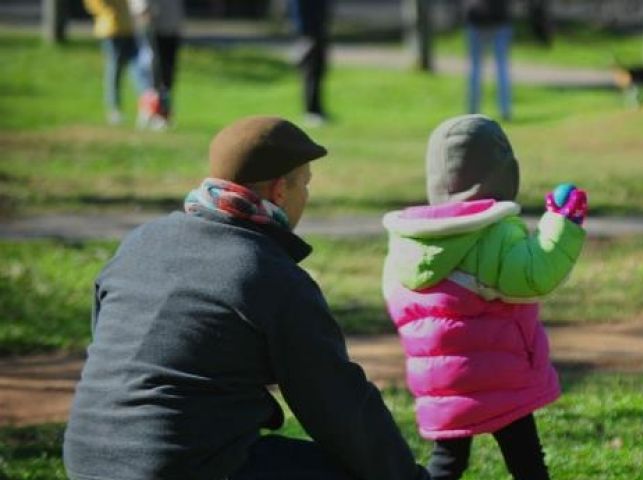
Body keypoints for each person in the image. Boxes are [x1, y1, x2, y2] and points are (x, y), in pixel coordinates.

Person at [63, 116, 431, 480]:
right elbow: (337, 404)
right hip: (181, 466)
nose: (306, 195)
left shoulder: (140, 241)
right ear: (279, 191)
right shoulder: (270, 273)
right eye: (305, 183)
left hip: (85, 459)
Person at [381, 114, 589, 480]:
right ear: (503, 173)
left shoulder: (410, 240)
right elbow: (533, 275)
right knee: (526, 460)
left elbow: (400, 304)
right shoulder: (489, 233)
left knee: (447, 462)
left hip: (440, 381)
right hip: (499, 373)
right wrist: (563, 223)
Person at [83, 0, 152, 125]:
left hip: (129, 28)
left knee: (138, 70)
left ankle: (147, 106)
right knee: (115, 70)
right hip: (111, 29)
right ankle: (114, 109)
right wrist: (109, 12)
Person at [130, 0, 185, 129]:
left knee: (167, 75)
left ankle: (163, 112)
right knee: (152, 72)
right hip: (151, 26)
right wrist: (142, 11)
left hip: (171, 27)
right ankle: (150, 111)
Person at [464, 0, 514, 121]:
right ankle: (505, 111)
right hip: (497, 20)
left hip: (481, 21)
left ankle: (473, 111)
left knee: (477, 70)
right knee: (501, 70)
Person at [288, 0, 333, 126]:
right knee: (311, 70)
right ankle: (311, 111)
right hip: (308, 34)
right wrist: (304, 34)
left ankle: (317, 109)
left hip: (318, 31)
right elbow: (298, 10)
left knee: (319, 70)